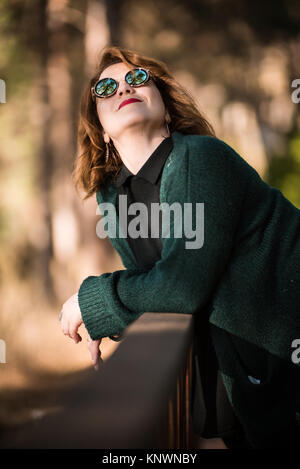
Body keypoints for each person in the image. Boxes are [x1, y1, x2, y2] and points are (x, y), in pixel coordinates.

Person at [59, 46, 300, 449]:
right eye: (106, 87)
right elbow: (153, 290)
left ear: (166, 109)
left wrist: (94, 301)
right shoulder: (114, 198)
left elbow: (181, 286)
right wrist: (117, 317)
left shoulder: (199, 158)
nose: (124, 88)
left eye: (138, 79)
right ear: (101, 129)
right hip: (240, 374)